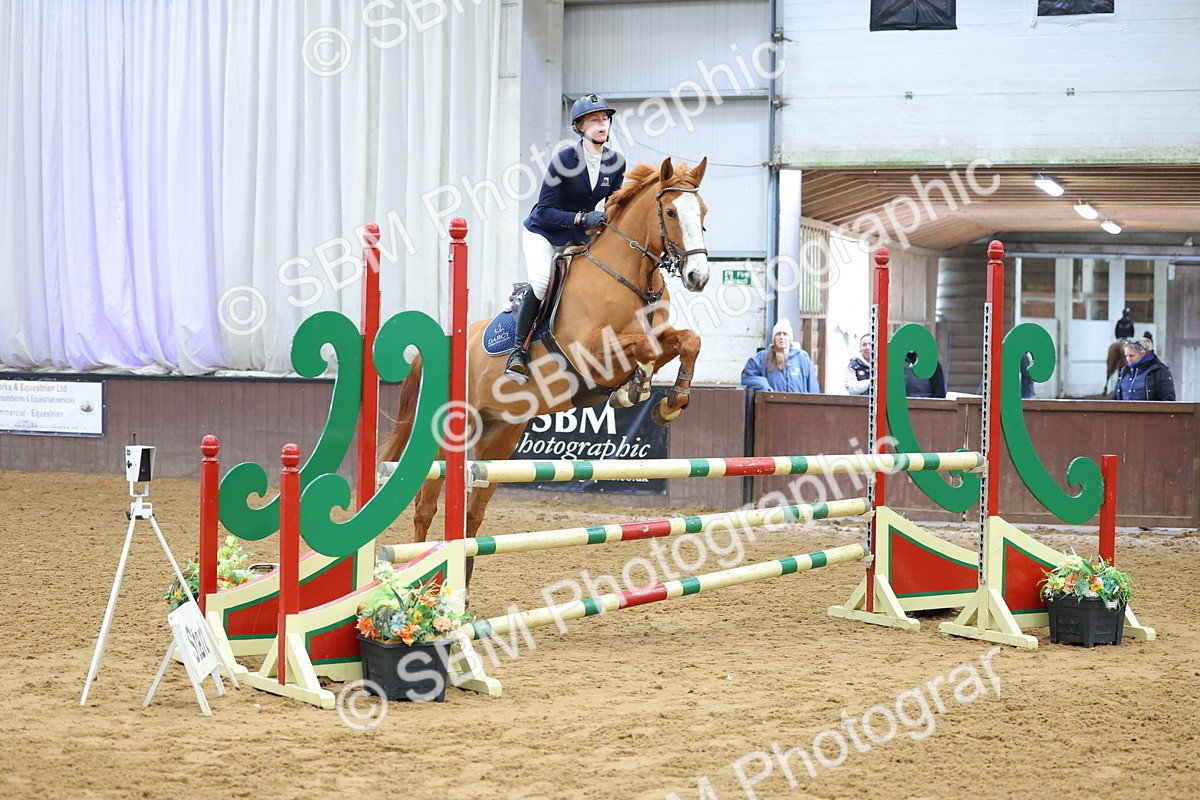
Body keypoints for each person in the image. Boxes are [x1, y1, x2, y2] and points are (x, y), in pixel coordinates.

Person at [505, 94, 627, 383]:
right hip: (544, 232)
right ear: (580, 127)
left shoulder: (616, 163)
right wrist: (581, 219)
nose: (602, 124)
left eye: (605, 119)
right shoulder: (564, 160)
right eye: (594, 119)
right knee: (542, 282)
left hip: (577, 237)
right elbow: (545, 210)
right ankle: (518, 351)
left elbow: (614, 206)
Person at [741, 318, 820, 393]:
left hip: (798, 406)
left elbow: (813, 387)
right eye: (778, 334)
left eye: (785, 334)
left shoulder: (802, 357)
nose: (782, 337)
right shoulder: (763, 357)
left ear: (790, 338)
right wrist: (764, 386)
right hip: (773, 405)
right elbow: (747, 376)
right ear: (774, 338)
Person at [1111, 337, 1176, 401]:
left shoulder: (1160, 371)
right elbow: (1115, 398)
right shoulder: (1125, 371)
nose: (1128, 359)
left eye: (1131, 355)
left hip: (1149, 411)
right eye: (1126, 356)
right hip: (1124, 410)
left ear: (1143, 353)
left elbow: (1168, 398)